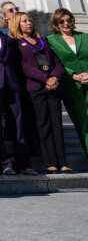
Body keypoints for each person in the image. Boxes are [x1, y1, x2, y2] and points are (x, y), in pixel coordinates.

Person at [11, 11, 72, 173]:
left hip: (53, 87)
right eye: (24, 21)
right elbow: (24, 67)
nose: (29, 23)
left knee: (57, 125)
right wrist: (45, 79)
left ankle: (63, 162)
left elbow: (57, 62)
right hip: (35, 88)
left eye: (30, 20)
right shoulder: (16, 43)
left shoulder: (43, 41)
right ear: (17, 24)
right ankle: (50, 162)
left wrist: (54, 77)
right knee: (43, 125)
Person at [0, 7, 33, 175]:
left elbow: (16, 63)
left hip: (12, 85)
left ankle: (24, 164)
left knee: (18, 125)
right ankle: (3, 164)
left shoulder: (8, 40)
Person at [47, 9, 88, 159]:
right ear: (56, 23)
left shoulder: (84, 37)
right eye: (62, 21)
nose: (66, 24)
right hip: (71, 86)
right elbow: (56, 63)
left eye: (68, 20)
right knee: (82, 122)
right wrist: (73, 75)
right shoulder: (51, 40)